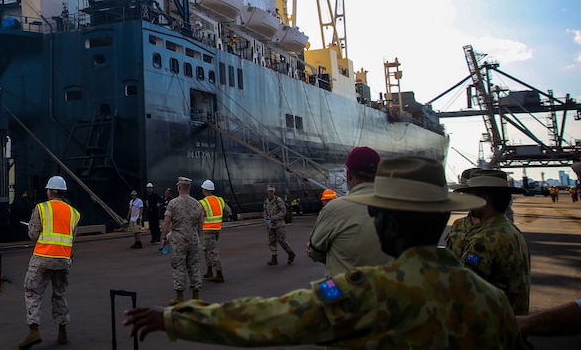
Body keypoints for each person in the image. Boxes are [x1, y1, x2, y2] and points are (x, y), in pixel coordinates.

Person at [122, 156, 525, 348]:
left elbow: (269, 318)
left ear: (390, 222)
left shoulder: (364, 290)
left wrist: (175, 319)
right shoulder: (490, 301)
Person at [449, 168, 531, 314]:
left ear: (484, 199)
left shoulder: (485, 240)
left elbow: (464, 289)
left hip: (490, 327)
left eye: (472, 196)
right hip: (511, 324)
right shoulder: (510, 230)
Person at [306, 146, 390, 278]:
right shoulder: (402, 208)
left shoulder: (334, 209)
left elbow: (315, 252)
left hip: (348, 295)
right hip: (390, 293)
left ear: (348, 174)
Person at [19, 175, 80, 349]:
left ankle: (34, 331)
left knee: (32, 292)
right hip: (63, 260)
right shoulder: (74, 213)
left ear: (50, 192)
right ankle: (62, 331)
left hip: (42, 258)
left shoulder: (41, 208)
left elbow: (33, 235)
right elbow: (72, 238)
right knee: (59, 293)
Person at [162, 176, 204, 305]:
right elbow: (200, 225)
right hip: (193, 240)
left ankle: (179, 297)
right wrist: (197, 238)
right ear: (189, 188)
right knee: (194, 267)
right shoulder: (197, 204)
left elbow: (166, 222)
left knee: (178, 267)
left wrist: (164, 238)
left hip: (178, 241)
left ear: (179, 187)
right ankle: (196, 296)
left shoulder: (173, 203)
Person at [198, 179, 232, 283]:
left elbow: (198, 217)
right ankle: (209, 271)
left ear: (204, 190)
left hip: (208, 230)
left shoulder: (203, 202)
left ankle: (219, 274)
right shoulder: (220, 200)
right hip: (216, 229)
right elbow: (228, 211)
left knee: (212, 251)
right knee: (206, 249)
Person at [263, 186, 295, 265]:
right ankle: (274, 258)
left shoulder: (278, 200)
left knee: (281, 241)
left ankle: (291, 253)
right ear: (267, 192)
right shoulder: (266, 202)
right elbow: (265, 212)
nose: (270, 193)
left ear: (274, 192)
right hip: (271, 225)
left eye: (272, 191)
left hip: (279, 224)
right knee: (271, 241)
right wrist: (267, 221)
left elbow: (283, 212)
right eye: (269, 191)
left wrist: (274, 218)